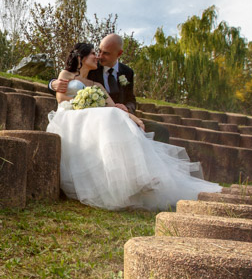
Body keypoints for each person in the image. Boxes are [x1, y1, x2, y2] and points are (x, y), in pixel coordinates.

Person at [46, 42, 221, 211]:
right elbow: (61, 100)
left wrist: (133, 118)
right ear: (80, 57)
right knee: (109, 116)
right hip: (70, 116)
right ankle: (134, 177)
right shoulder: (65, 75)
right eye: (93, 53)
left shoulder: (97, 85)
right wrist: (87, 103)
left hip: (95, 116)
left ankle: (139, 177)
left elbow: (113, 106)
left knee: (115, 115)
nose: (97, 56)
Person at [48, 33, 170, 143]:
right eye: (98, 52)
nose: (99, 57)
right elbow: (63, 89)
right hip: (89, 118)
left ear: (119, 53)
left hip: (115, 115)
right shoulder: (91, 69)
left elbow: (127, 100)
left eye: (105, 53)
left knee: (160, 130)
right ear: (81, 57)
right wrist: (52, 84)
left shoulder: (124, 73)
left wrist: (129, 113)